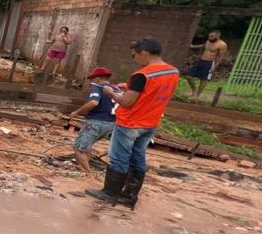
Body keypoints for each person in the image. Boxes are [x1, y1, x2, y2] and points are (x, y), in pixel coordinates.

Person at [87, 38, 179, 208]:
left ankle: (110, 193)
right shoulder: (172, 72)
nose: (135, 59)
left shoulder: (142, 75)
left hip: (130, 122)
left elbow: (127, 102)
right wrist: (129, 86)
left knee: (118, 158)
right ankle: (129, 196)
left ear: (144, 53)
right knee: (138, 158)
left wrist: (111, 93)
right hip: (150, 122)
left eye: (134, 56)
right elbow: (152, 92)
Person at [69, 66, 116, 174]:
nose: (91, 82)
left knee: (78, 148)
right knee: (87, 145)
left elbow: (94, 102)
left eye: (92, 79)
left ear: (97, 79)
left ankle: (88, 173)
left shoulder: (98, 86)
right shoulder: (115, 89)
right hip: (110, 124)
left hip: (96, 122)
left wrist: (77, 112)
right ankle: (84, 167)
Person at [185, 30, 228, 98]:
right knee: (189, 77)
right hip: (201, 60)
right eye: (209, 36)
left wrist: (214, 67)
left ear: (217, 36)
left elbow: (221, 57)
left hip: (210, 63)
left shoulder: (222, 45)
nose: (209, 38)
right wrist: (192, 46)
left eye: (212, 36)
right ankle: (194, 91)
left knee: (203, 79)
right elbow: (203, 46)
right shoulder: (208, 41)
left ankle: (197, 95)